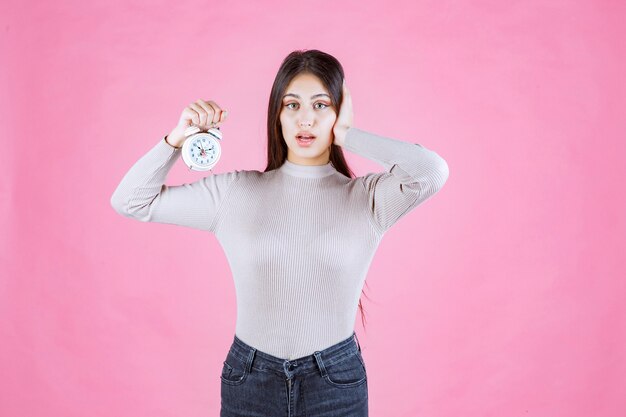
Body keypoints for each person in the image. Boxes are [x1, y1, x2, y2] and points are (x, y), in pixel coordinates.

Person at [110, 49, 449, 417]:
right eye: (292, 105)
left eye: (321, 105)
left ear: (339, 112)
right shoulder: (235, 193)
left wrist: (348, 135)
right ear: (277, 115)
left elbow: (431, 171)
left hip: (335, 382)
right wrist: (177, 139)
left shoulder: (368, 199)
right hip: (250, 380)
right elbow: (131, 201)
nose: (306, 119)